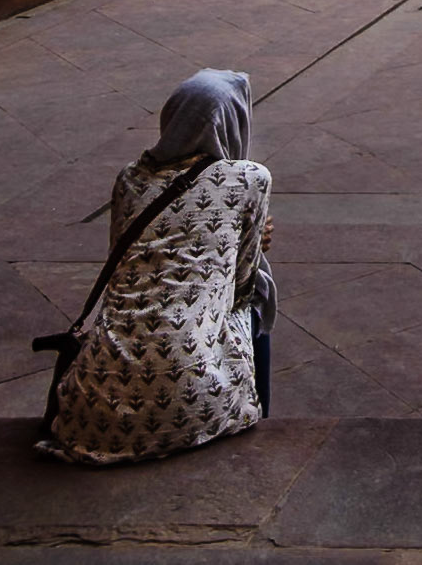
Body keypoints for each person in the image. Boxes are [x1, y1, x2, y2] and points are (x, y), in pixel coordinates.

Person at [36, 68, 275, 464]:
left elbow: (127, 267)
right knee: (258, 299)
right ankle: (257, 413)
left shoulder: (129, 178)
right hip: (195, 399)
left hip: (92, 410)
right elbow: (241, 284)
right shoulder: (249, 178)